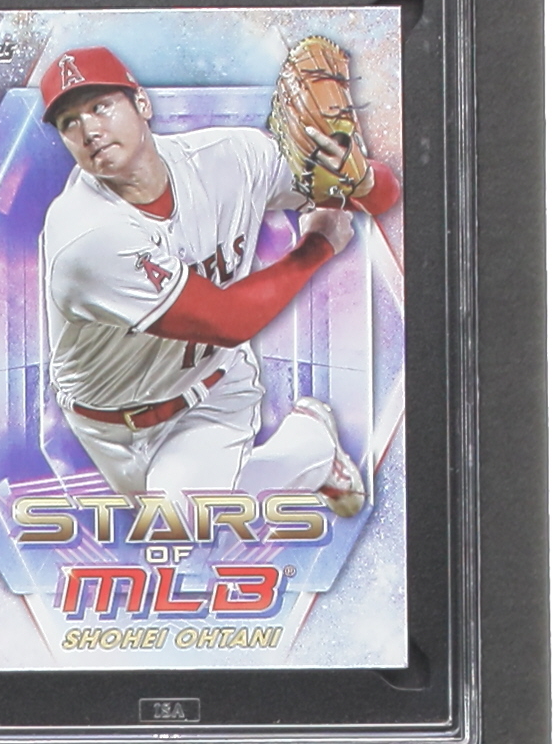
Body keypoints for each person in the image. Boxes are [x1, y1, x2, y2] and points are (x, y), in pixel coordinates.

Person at [40, 45, 400, 514]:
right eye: (69, 122)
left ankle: (306, 453)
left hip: (212, 391)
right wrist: (317, 247)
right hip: (102, 422)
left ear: (142, 103)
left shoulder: (232, 159)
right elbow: (225, 319)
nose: (89, 129)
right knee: (175, 512)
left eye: (100, 106)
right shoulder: (85, 235)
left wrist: (360, 179)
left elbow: (379, 196)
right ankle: (311, 450)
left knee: (182, 521)